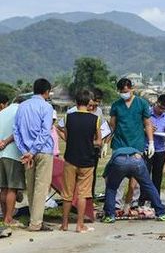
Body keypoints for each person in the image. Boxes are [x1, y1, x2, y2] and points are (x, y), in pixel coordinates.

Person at [13, 78, 54, 232]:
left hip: (26, 152)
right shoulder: (46, 107)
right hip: (42, 151)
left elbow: (16, 130)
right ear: (46, 91)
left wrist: (25, 151)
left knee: (30, 186)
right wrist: (33, 151)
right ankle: (36, 223)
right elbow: (45, 131)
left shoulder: (22, 106)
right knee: (41, 187)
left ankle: (33, 219)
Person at [60, 90, 102, 233]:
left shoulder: (68, 117)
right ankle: (79, 225)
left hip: (70, 159)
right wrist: (90, 143)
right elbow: (99, 141)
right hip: (87, 161)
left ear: (76, 102)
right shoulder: (95, 119)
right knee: (83, 194)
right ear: (89, 102)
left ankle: (64, 224)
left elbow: (66, 136)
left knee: (67, 193)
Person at [110, 78, 154, 211]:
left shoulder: (141, 103)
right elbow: (112, 124)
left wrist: (151, 142)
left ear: (132, 89)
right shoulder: (116, 105)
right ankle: (116, 204)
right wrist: (106, 141)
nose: (124, 94)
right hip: (119, 144)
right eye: (122, 92)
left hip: (136, 143)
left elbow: (147, 123)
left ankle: (132, 203)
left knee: (136, 177)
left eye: (126, 91)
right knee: (118, 176)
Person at [58, 88, 109, 198]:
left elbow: (104, 130)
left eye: (98, 102)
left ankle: (90, 197)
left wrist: (104, 144)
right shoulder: (71, 113)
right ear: (89, 100)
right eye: (95, 101)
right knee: (73, 184)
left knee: (91, 176)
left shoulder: (98, 112)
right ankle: (77, 202)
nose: (96, 104)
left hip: (91, 150)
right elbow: (60, 128)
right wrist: (72, 140)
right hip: (75, 152)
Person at [101, 147, 165, 223]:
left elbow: (106, 177)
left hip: (119, 160)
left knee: (111, 188)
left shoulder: (113, 158)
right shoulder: (135, 152)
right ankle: (161, 213)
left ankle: (109, 216)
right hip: (137, 159)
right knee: (149, 186)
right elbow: (132, 186)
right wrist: (127, 205)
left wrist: (109, 187)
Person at [138, 94, 165, 206]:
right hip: (147, 148)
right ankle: (142, 200)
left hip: (160, 149)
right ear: (157, 103)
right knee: (144, 175)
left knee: (157, 176)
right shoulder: (147, 113)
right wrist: (146, 129)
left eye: (164, 109)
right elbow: (138, 127)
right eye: (160, 108)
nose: (162, 110)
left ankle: (155, 200)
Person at [0, 94, 25, 229]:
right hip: (13, 154)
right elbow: (18, 132)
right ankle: (9, 218)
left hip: (1, 155)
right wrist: (6, 142)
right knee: (12, 188)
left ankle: (5, 216)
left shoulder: (2, 112)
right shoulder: (20, 112)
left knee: (3, 187)